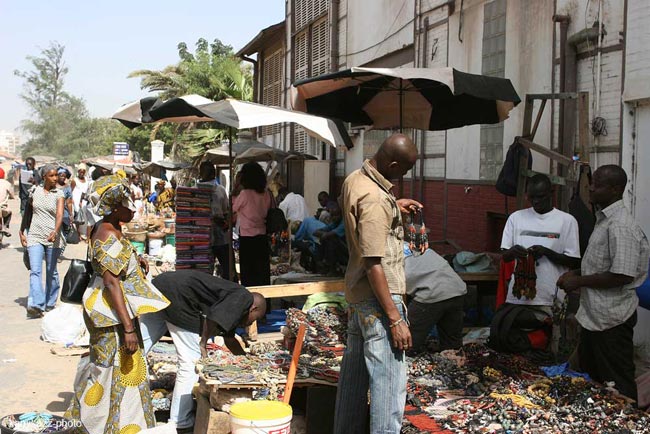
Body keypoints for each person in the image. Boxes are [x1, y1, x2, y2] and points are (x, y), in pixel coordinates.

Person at [66, 174, 170, 434]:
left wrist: (137, 259)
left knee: (121, 371)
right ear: (114, 208)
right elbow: (112, 284)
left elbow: (116, 265)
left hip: (110, 311)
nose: (132, 208)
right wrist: (128, 328)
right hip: (111, 315)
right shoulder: (107, 235)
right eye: (127, 204)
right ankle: (92, 425)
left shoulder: (107, 226)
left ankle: (119, 424)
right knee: (108, 372)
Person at [334, 133, 421, 434]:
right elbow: (374, 263)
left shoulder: (356, 180)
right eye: (405, 170)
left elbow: (366, 217)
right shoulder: (374, 199)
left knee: (354, 382)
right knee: (387, 386)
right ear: (393, 164)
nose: (405, 176)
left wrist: (393, 206)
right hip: (380, 301)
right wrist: (395, 319)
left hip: (359, 298)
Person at [558, 165, 650, 401]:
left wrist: (578, 281)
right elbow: (600, 264)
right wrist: (575, 273)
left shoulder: (621, 226)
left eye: (597, 185)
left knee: (618, 383)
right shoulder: (604, 219)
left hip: (612, 319)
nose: (590, 188)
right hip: (594, 317)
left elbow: (622, 275)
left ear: (615, 189)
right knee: (594, 379)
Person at [140, 270, 267, 432]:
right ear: (253, 308)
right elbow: (213, 317)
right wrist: (203, 343)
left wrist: (246, 359)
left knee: (137, 348)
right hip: (177, 296)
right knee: (191, 361)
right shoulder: (244, 298)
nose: (250, 324)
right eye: (254, 319)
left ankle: (119, 396)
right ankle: (181, 422)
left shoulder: (235, 303)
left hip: (160, 284)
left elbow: (229, 339)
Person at [499, 174, 581, 347]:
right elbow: (504, 256)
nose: (535, 202)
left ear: (551, 192)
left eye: (540, 197)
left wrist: (547, 253)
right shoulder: (516, 218)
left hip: (551, 298)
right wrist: (513, 252)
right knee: (516, 344)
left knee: (550, 345)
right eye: (532, 197)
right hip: (519, 296)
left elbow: (574, 262)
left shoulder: (567, 221)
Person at [19, 165, 65, 318]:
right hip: (35, 235)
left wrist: (55, 231)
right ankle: (37, 304)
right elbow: (28, 212)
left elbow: (59, 215)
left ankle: (50, 302)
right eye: (52, 176)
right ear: (44, 176)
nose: (55, 178)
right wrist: (21, 231)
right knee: (35, 271)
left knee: (51, 272)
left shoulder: (59, 193)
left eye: (56, 176)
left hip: (53, 236)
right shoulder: (34, 191)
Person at [404, 243, 467, 352]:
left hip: (432, 291)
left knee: (408, 341)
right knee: (452, 344)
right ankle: (453, 361)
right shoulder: (413, 246)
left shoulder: (388, 251)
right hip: (456, 288)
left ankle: (407, 360)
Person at [233, 162, 271, 286]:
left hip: (247, 238)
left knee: (248, 274)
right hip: (262, 236)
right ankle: (265, 302)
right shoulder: (266, 193)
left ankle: (251, 302)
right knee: (262, 273)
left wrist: (235, 186)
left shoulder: (244, 194)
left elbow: (233, 208)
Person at [197, 161, 233, 280]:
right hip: (204, 237)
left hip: (217, 236)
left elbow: (227, 212)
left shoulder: (220, 190)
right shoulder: (194, 190)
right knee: (209, 269)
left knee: (224, 269)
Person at [313, 202, 347, 275]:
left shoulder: (344, 224)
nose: (333, 218)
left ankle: (332, 268)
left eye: (335, 215)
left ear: (341, 215)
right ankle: (323, 265)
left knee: (331, 240)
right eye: (332, 215)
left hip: (346, 250)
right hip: (338, 248)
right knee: (319, 241)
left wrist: (324, 235)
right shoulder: (334, 223)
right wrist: (324, 234)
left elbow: (329, 235)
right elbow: (315, 232)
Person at [71, 164, 89, 241]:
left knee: (84, 217)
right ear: (78, 171)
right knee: (78, 217)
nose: (81, 173)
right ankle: (78, 234)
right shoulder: (74, 180)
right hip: (76, 201)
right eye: (80, 171)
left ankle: (83, 233)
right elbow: (71, 191)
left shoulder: (87, 181)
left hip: (84, 201)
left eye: (83, 171)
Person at [57, 167, 74, 238]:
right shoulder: (52, 187)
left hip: (65, 214)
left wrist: (70, 215)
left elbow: (69, 202)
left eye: (64, 176)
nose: (63, 177)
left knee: (64, 232)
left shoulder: (67, 187)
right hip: (54, 212)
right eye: (61, 175)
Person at [0, 167, 15, 237]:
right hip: (2, 207)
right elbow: (12, 195)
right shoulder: (7, 183)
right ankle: (5, 227)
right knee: (9, 213)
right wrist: (11, 197)